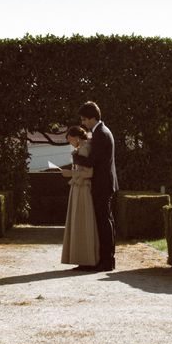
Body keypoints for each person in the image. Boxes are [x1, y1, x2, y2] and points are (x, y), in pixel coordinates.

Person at [73, 101, 118, 271]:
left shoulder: (100, 134)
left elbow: (92, 162)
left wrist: (76, 156)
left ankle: (106, 262)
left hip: (102, 183)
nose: (83, 123)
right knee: (106, 221)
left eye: (84, 119)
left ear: (92, 118)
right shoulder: (102, 132)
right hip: (104, 182)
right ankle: (106, 260)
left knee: (104, 222)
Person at [60, 125, 100, 270]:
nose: (70, 143)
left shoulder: (84, 148)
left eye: (70, 140)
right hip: (79, 189)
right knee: (81, 223)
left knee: (83, 223)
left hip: (83, 189)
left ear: (76, 137)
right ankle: (84, 258)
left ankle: (86, 259)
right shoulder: (82, 148)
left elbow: (88, 173)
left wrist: (70, 174)